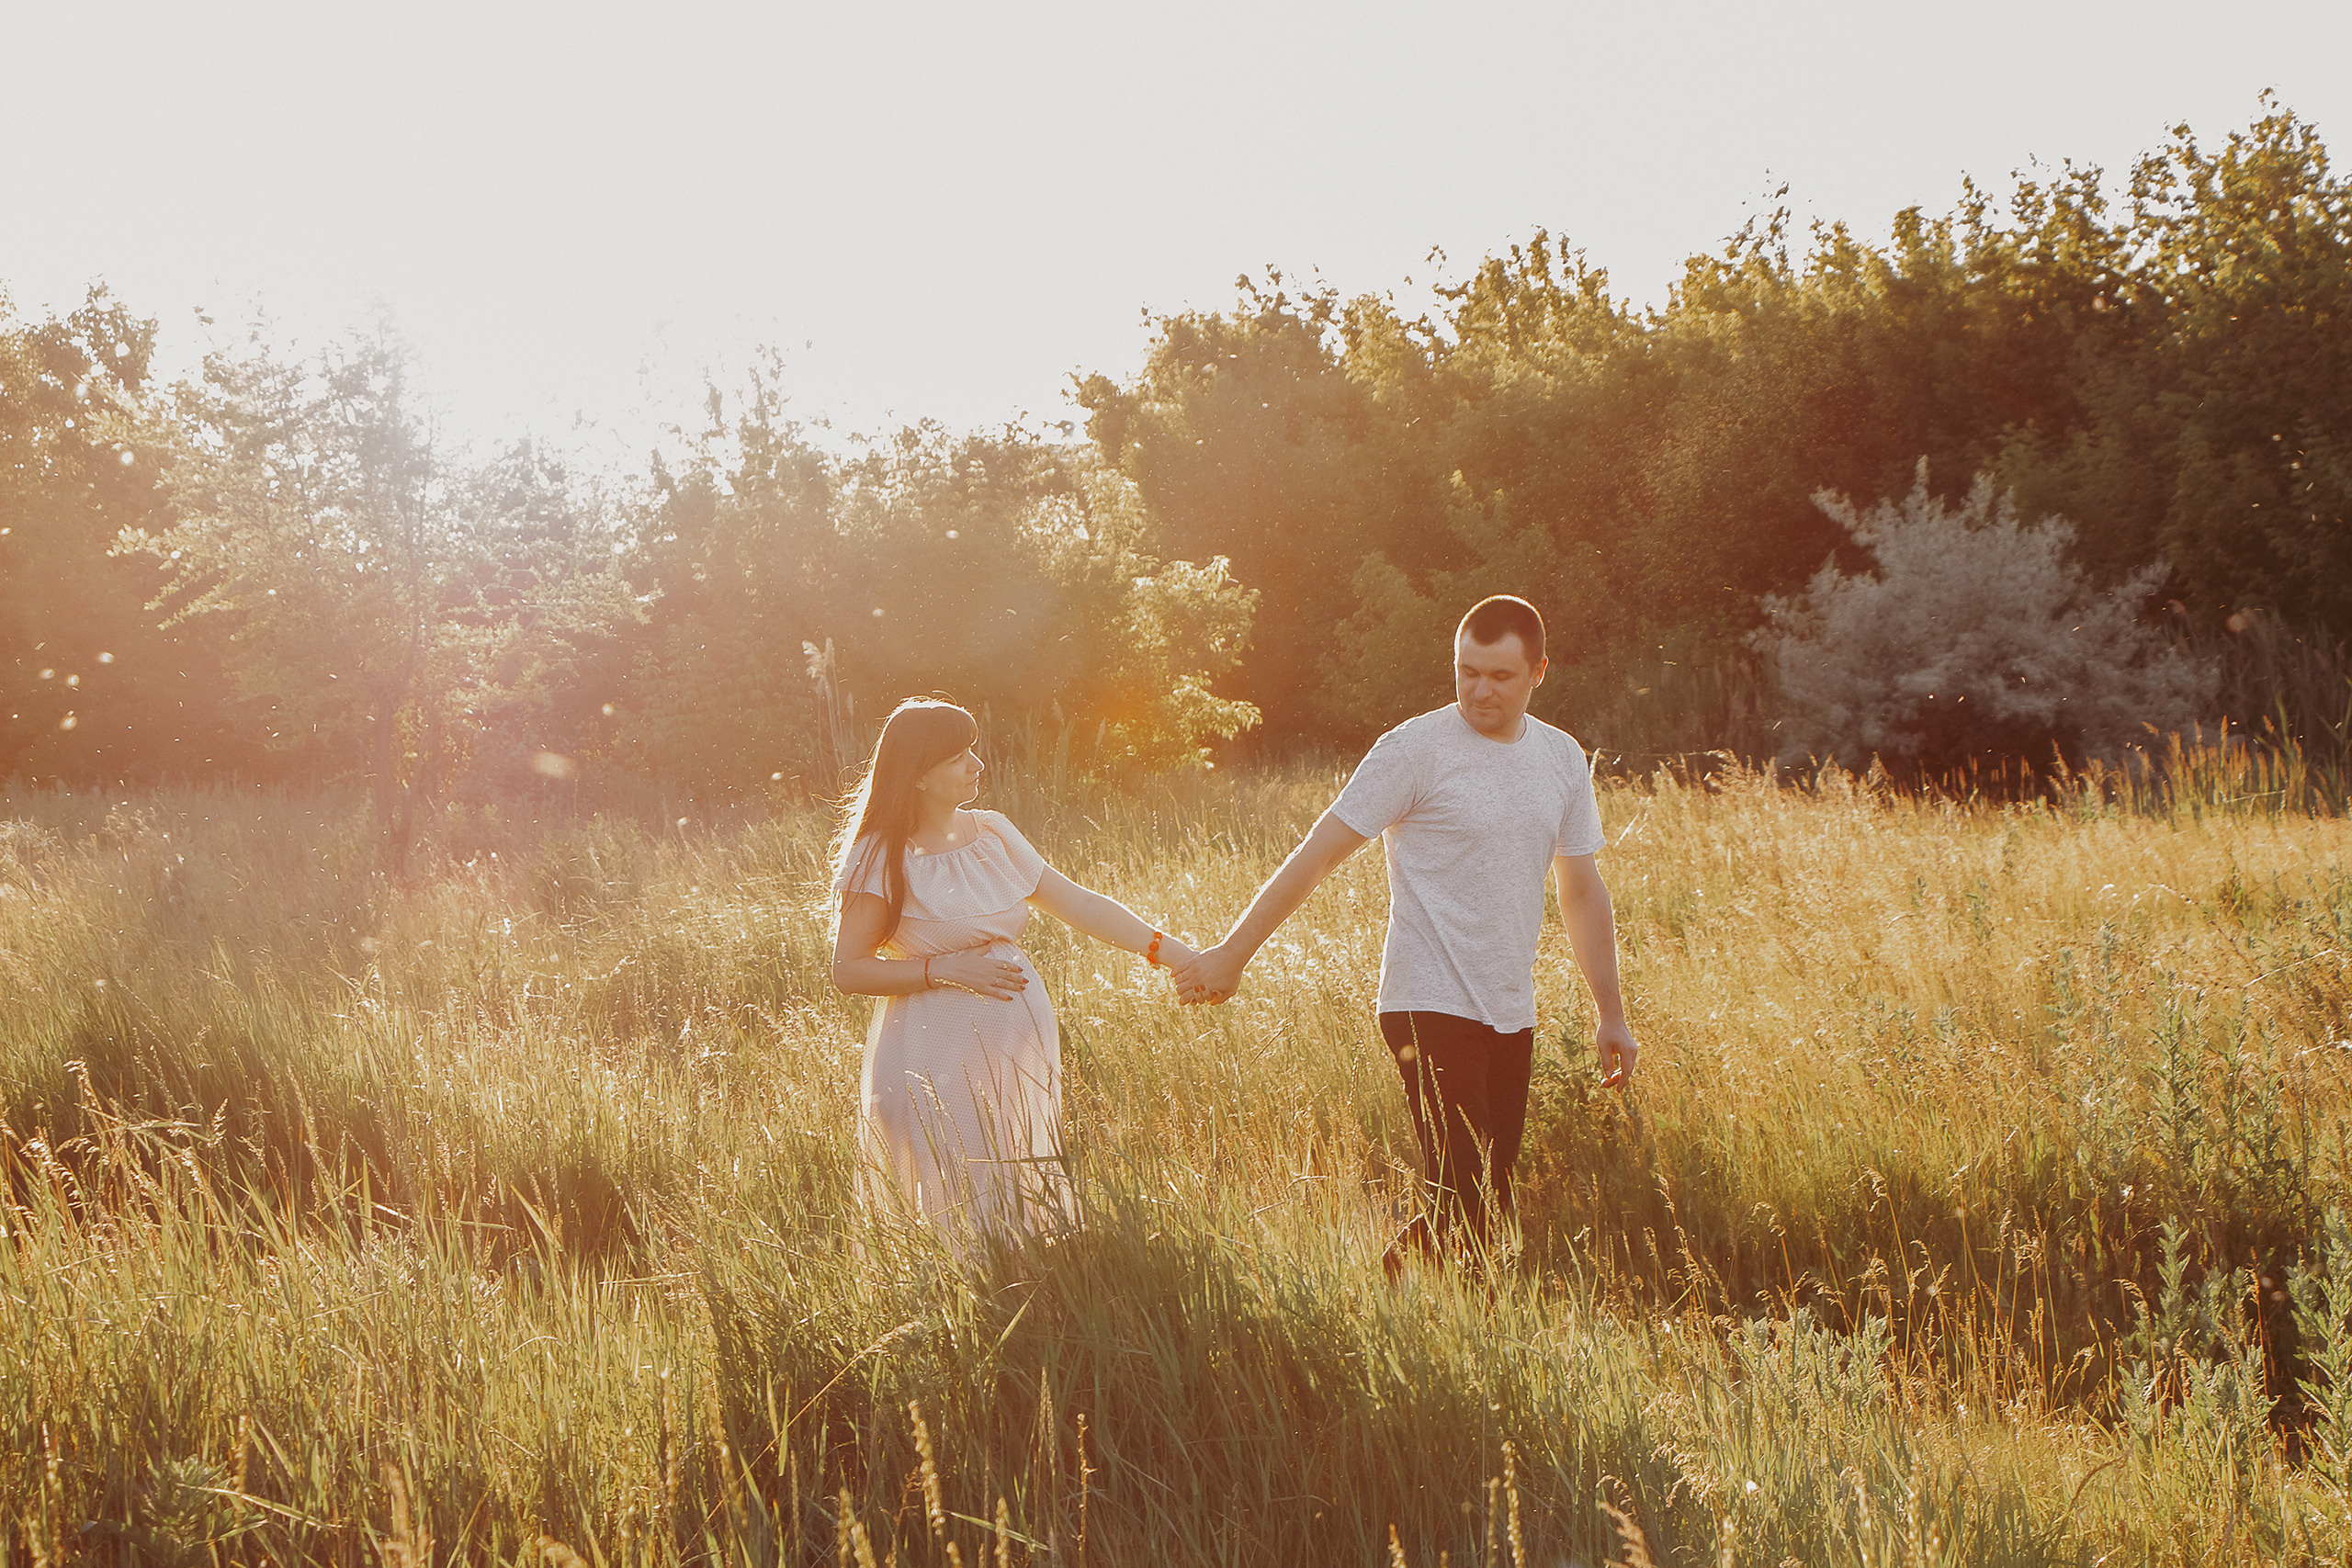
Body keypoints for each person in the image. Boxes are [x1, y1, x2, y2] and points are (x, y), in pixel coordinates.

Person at [1173, 595, 1637, 1271]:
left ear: (1540, 670)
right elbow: (1318, 853)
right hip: (1426, 1001)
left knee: (1483, 1201)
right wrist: (1232, 954)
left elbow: (1582, 889)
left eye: (1500, 675)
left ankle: (1421, 1319)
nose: (1480, 689)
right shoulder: (1414, 749)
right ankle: (1386, 1317)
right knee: (1471, 1194)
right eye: (1466, 670)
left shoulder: (1561, 758)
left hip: (1509, 1007)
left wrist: (1612, 1013)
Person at [830, 698, 1194, 1258]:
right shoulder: (878, 855)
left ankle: (1036, 1295)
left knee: (1021, 1177)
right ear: (919, 775)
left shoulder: (993, 833)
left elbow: (1078, 904)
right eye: (957, 757)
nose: (976, 764)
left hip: (1017, 1047)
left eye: (972, 749)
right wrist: (941, 968)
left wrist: (1174, 954)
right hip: (933, 1050)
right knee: (958, 1189)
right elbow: (848, 970)